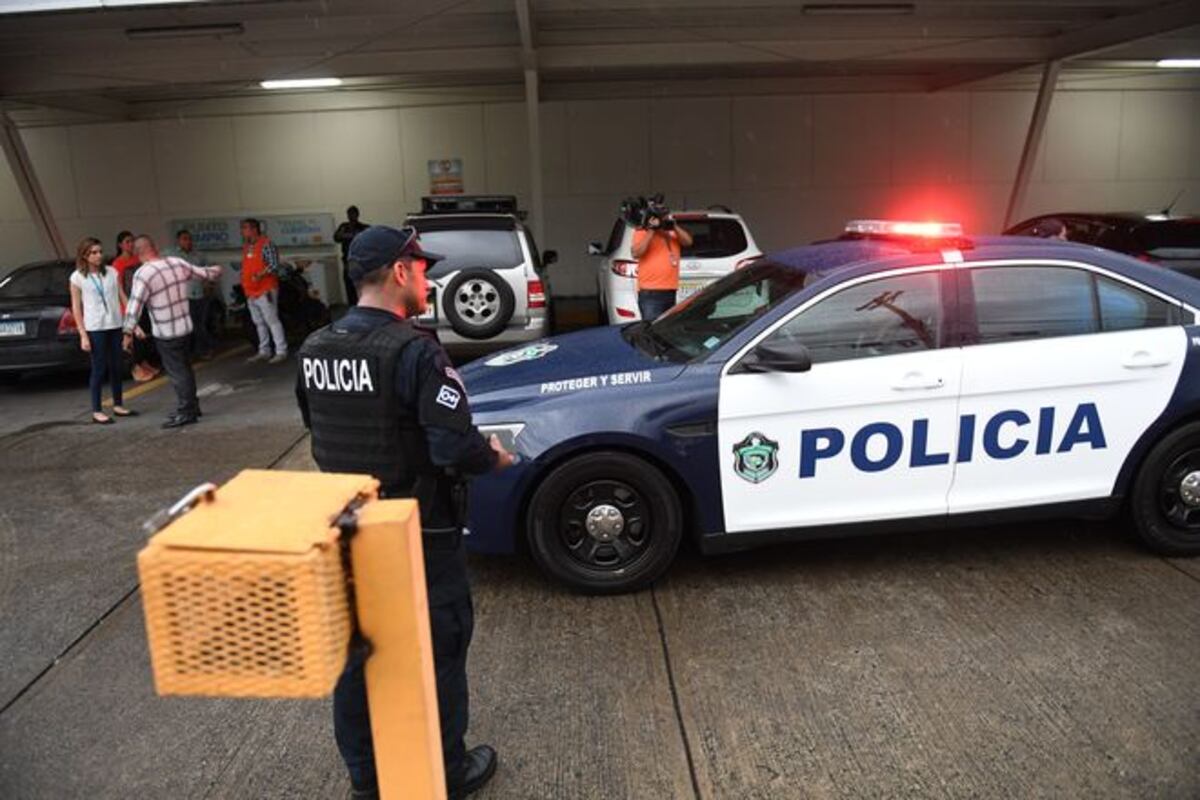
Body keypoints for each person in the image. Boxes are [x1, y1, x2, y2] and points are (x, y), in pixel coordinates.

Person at [295, 225, 514, 800]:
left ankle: (366, 778)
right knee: (440, 648)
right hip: (420, 531)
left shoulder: (315, 348)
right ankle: (446, 770)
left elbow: (316, 427)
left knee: (357, 653)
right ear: (398, 272)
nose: (428, 280)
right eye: (421, 269)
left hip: (348, 527)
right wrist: (492, 456)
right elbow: (452, 448)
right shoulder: (415, 351)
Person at [122, 235, 222, 429]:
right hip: (185, 327)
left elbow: (135, 305)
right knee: (185, 368)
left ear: (138, 253)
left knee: (177, 372)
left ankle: (186, 411)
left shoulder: (144, 273)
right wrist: (217, 270)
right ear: (154, 247)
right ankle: (192, 406)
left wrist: (127, 332)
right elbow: (203, 273)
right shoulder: (176, 263)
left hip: (166, 331)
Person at [68, 237, 137, 424]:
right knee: (99, 368)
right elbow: (76, 308)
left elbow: (122, 297)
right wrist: (83, 335)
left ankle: (118, 405)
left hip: (115, 325)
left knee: (117, 367)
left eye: (100, 251)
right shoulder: (77, 277)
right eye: (93, 253)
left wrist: (132, 323)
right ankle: (97, 410)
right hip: (95, 328)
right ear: (85, 256)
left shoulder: (112, 272)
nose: (98, 255)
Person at [630, 205, 693, 322]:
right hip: (651, 292)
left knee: (666, 327)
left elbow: (688, 242)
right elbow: (636, 253)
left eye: (665, 216)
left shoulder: (672, 232)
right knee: (652, 326)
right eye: (661, 217)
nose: (663, 219)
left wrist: (674, 226)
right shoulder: (642, 231)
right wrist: (651, 231)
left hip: (670, 290)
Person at [239, 218, 288, 364]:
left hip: (265, 289)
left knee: (272, 320)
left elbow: (273, 265)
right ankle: (264, 351)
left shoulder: (266, 244)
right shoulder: (247, 247)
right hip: (251, 291)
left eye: (245, 228)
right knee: (259, 322)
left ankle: (281, 350)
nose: (242, 231)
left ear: (254, 229)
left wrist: (260, 274)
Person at [166, 229, 218, 359]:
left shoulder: (199, 255)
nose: (188, 241)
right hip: (183, 296)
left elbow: (209, 272)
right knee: (186, 326)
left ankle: (203, 349)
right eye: (184, 239)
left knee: (199, 324)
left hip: (200, 294)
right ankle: (190, 352)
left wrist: (209, 285)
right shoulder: (171, 255)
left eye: (189, 239)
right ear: (178, 241)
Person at [334, 205, 370, 307]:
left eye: (353, 214)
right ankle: (352, 306)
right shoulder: (344, 226)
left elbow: (369, 234)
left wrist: (348, 236)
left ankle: (363, 305)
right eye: (349, 214)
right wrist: (353, 235)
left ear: (357, 215)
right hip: (347, 261)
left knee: (362, 285)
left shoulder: (363, 227)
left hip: (361, 261)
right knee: (349, 286)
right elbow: (336, 237)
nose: (351, 216)